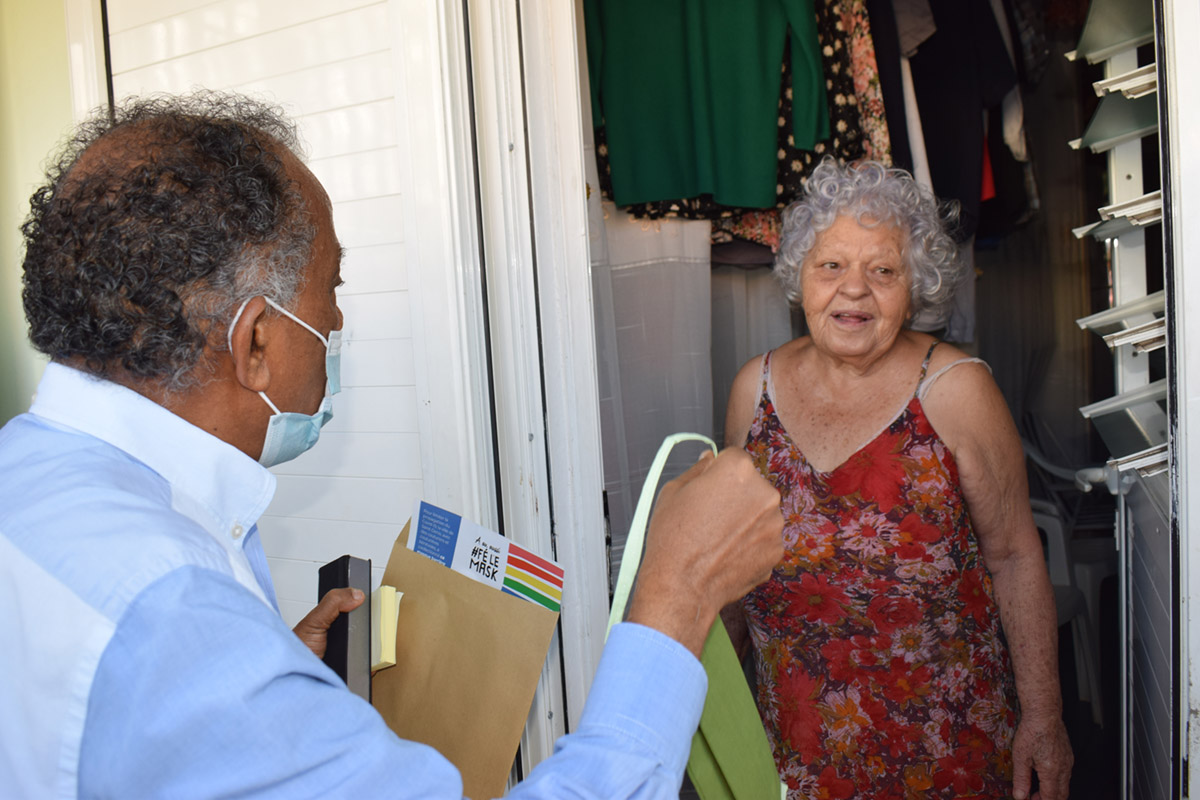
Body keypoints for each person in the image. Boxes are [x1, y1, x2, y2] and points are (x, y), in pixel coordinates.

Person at [0, 92, 784, 799]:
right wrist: (677, 595)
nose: (336, 325)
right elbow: (165, 651)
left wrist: (270, 687)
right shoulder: (173, 612)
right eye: (330, 290)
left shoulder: (28, 480)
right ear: (259, 342)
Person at [722, 159, 1073, 799]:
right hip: (797, 755)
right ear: (800, 276)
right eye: (831, 266)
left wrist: (1044, 718)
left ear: (915, 287)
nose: (853, 290)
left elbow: (1018, 556)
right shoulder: (755, 390)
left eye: (882, 271)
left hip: (946, 750)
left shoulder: (956, 390)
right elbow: (731, 569)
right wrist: (704, 708)